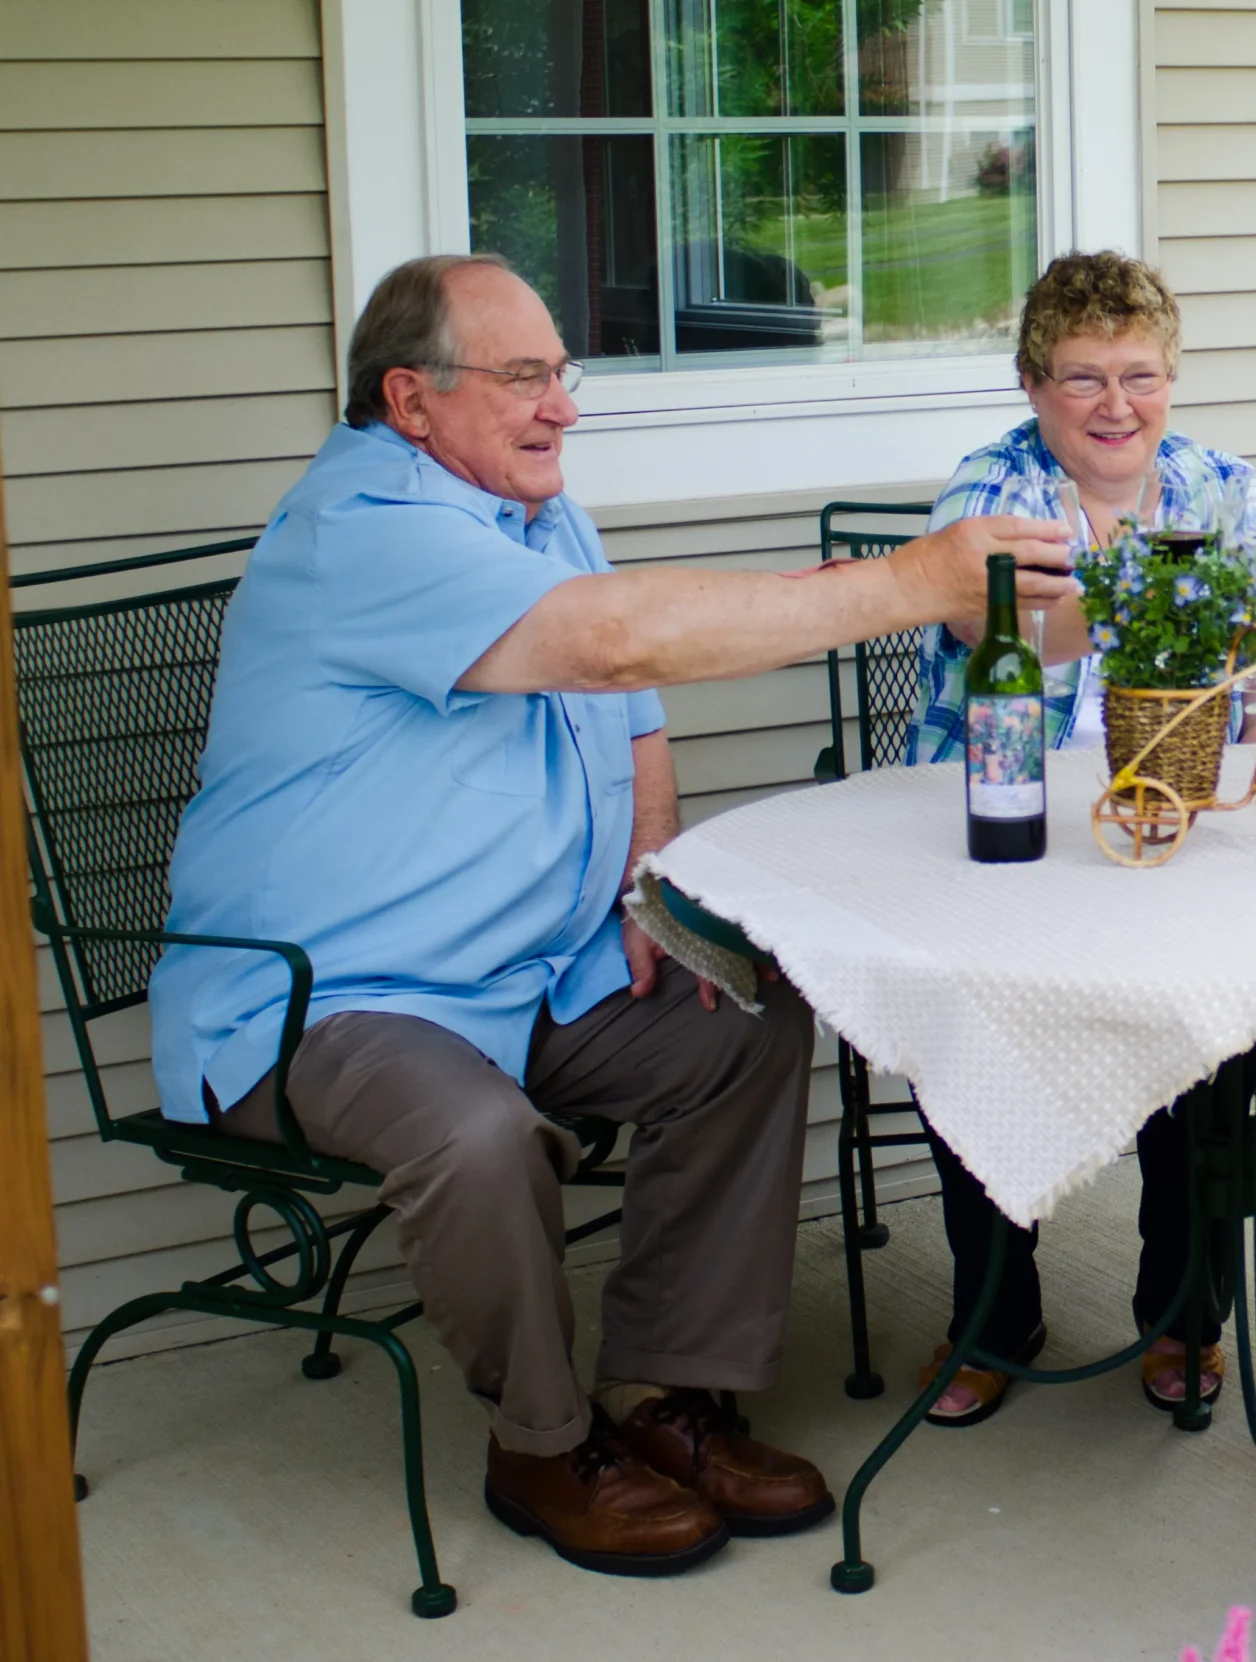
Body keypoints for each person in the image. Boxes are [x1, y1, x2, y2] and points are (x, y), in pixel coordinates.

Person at [150, 252, 1070, 1580]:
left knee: (741, 1012)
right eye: (524, 378)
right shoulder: (364, 528)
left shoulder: (529, 509)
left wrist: (649, 877)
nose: (562, 408)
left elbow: (631, 709)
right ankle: (543, 1438)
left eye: (561, 374)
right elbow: (617, 642)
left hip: (523, 975)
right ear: (411, 399)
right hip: (336, 995)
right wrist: (916, 581)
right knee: (473, 1131)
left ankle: (672, 1397)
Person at [902, 250, 1256, 1427]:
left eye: (1141, 377)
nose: (1117, 408)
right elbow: (997, 625)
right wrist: (1144, 595)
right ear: (1031, 383)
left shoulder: (1224, 489)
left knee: (1221, 1026)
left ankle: (1183, 1315)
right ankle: (992, 1321)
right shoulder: (988, 493)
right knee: (976, 1028)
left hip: (1175, 822)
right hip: (1008, 824)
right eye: (1084, 380)